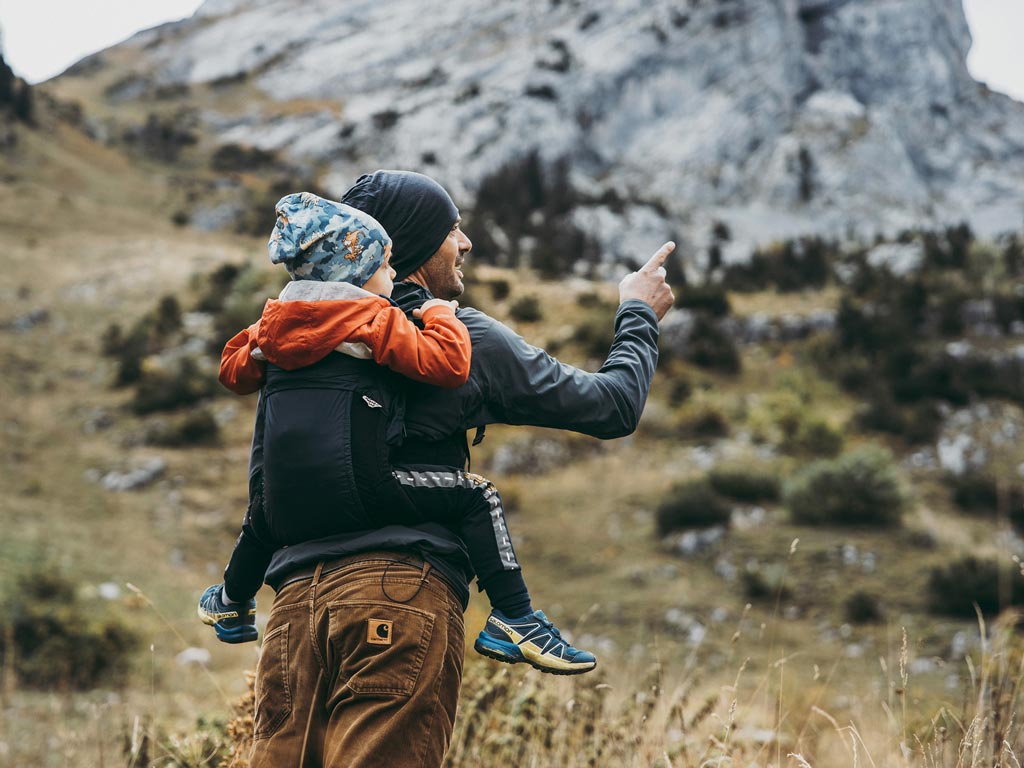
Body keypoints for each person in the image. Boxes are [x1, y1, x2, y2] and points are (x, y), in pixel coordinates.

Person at [232, 171, 673, 768]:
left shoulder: (292, 346)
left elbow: (265, 487)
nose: (464, 243)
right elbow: (614, 406)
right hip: (397, 595)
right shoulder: (458, 336)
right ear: (410, 245)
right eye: (450, 229)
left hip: (291, 613)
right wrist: (637, 314)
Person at [200, 190, 600, 676]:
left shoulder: (273, 327)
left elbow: (233, 371)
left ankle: (230, 601)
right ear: (357, 273)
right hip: (366, 487)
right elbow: (447, 364)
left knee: (258, 515)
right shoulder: (371, 318)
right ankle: (515, 618)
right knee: (478, 498)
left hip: (285, 510)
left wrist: (256, 340)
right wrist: (438, 314)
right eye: (387, 266)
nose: (394, 275)